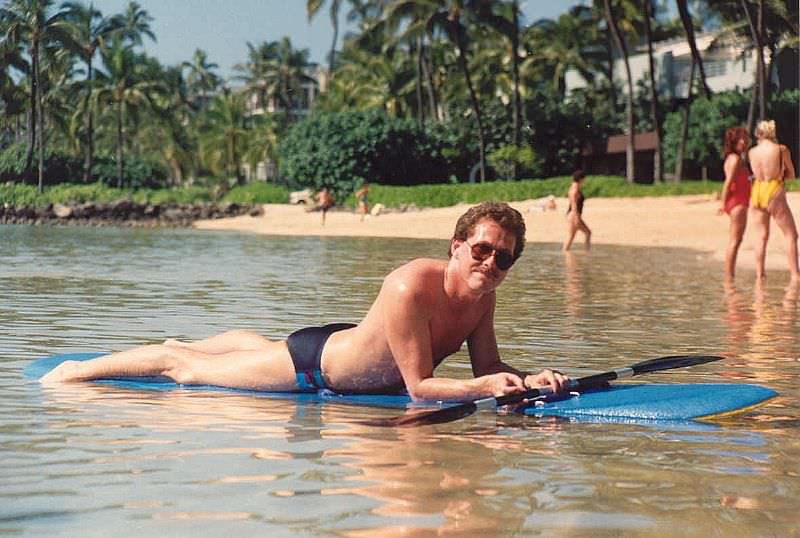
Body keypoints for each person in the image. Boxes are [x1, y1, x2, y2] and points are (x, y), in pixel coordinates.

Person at [41, 201, 570, 402]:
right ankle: (71, 373)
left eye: (504, 259)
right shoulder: (410, 286)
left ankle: (222, 342)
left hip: (351, 347)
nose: (490, 264)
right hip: (314, 368)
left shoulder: (483, 295)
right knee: (186, 372)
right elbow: (420, 387)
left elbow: (488, 366)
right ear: (457, 246)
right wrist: (484, 388)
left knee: (248, 350)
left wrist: (529, 377)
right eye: (482, 250)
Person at [747, 120, 799, 282]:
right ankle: (795, 275)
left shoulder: (751, 152)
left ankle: (759, 275)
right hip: (774, 188)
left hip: (757, 189)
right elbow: (791, 174)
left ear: (758, 134)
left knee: (761, 236)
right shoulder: (780, 149)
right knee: (791, 234)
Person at [718, 126, 751, 281]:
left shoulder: (735, 158)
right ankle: (729, 278)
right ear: (733, 142)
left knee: (736, 240)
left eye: (745, 138)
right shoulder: (735, 159)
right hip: (737, 202)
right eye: (740, 140)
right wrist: (722, 204)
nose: (744, 142)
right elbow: (728, 182)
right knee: (735, 241)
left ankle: (729, 276)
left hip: (740, 201)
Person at [563, 170, 591, 251]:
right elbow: (573, 204)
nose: (585, 181)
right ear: (580, 179)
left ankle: (586, 252)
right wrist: (576, 217)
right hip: (573, 215)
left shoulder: (576, 188)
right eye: (584, 179)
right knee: (586, 233)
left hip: (574, 215)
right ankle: (587, 252)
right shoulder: (574, 190)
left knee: (573, 236)